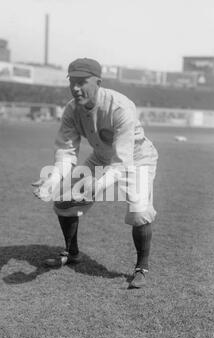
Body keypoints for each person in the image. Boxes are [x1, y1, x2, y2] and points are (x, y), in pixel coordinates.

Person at [33, 58, 158, 289]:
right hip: (101, 157)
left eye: (83, 82)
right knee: (63, 201)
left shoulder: (119, 107)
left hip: (137, 159)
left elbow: (122, 162)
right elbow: (66, 151)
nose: (76, 88)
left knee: (139, 212)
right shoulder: (71, 109)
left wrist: (96, 188)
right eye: (73, 82)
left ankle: (141, 267)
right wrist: (52, 179)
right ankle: (72, 253)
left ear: (98, 82)